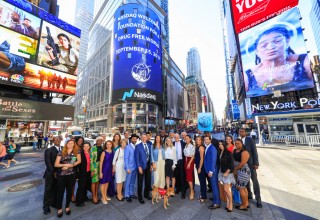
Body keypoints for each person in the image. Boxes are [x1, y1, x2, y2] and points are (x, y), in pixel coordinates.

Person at [244, 26, 312, 96]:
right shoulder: (248, 76)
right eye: (264, 45)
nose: (271, 47)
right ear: (256, 51)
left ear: (287, 41)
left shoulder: (305, 62)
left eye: (277, 41)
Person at [54, 139, 81, 218]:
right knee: (60, 192)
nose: (70, 144)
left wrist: (68, 166)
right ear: (66, 144)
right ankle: (59, 208)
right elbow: (56, 164)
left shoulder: (76, 152)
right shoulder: (61, 152)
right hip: (61, 175)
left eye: (72, 143)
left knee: (69, 191)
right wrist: (63, 166)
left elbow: (78, 161)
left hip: (71, 175)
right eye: (69, 143)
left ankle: (67, 207)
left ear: (74, 144)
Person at [239, 128, 262, 208]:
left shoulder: (250, 139)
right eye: (240, 132)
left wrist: (256, 163)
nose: (241, 133)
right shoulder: (239, 140)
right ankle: (249, 195)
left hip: (251, 164)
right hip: (243, 166)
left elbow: (254, 151)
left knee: (255, 181)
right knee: (246, 181)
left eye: (242, 131)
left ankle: (258, 199)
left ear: (245, 133)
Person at [43, 137, 61, 215]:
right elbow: (48, 163)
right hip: (50, 174)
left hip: (60, 174)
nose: (57, 141)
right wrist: (54, 172)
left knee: (57, 189)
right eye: (55, 140)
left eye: (59, 140)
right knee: (48, 190)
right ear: (53, 141)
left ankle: (54, 203)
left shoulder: (62, 149)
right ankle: (46, 207)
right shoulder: (49, 150)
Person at [233, 139, 251, 211]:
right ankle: (246, 203)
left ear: (242, 143)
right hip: (238, 171)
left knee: (240, 188)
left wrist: (235, 169)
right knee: (243, 188)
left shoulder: (245, 152)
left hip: (244, 172)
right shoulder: (235, 151)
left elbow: (243, 163)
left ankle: (244, 205)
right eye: (236, 143)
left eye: (238, 143)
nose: (237, 145)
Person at [217, 140, 235, 212]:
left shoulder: (228, 153)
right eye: (219, 144)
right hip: (222, 171)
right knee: (226, 189)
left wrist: (227, 172)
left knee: (226, 189)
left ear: (224, 144)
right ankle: (228, 203)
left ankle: (231, 204)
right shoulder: (220, 152)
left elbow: (231, 164)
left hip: (227, 173)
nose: (220, 145)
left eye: (221, 144)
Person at [204, 135, 220, 209]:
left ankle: (216, 203)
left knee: (214, 186)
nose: (206, 141)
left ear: (210, 140)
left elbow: (214, 160)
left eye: (207, 139)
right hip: (209, 170)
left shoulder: (212, 148)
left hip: (212, 170)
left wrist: (211, 171)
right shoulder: (208, 147)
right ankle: (215, 198)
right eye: (205, 139)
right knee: (213, 186)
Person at [135, 133, 152, 204]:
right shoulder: (138, 146)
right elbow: (137, 158)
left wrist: (151, 165)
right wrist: (139, 167)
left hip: (148, 165)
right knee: (140, 182)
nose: (144, 138)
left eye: (145, 137)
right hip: (141, 166)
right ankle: (140, 197)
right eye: (143, 137)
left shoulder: (149, 145)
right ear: (141, 138)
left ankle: (146, 194)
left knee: (148, 181)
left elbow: (151, 156)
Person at [76, 142, 91, 207]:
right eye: (84, 146)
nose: (86, 147)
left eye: (87, 146)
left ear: (89, 147)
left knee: (86, 186)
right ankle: (78, 201)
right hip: (82, 172)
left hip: (88, 172)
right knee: (81, 187)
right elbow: (77, 164)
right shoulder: (80, 153)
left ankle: (84, 197)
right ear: (82, 147)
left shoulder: (90, 153)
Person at [124, 134, 138, 203]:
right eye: (133, 139)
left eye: (135, 139)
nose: (134, 140)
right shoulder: (127, 147)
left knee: (133, 182)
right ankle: (127, 195)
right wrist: (127, 168)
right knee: (128, 182)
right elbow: (126, 158)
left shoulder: (136, 146)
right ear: (131, 139)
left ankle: (131, 193)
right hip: (129, 168)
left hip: (135, 167)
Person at [90, 136, 104, 204]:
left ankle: (96, 194)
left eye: (101, 140)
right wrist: (92, 170)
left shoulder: (102, 147)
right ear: (96, 141)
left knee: (98, 181)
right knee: (93, 181)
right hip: (94, 166)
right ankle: (93, 196)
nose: (100, 141)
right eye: (98, 140)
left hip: (100, 166)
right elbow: (91, 160)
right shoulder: (93, 148)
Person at [173, 133, 186, 199]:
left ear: (179, 137)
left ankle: (183, 193)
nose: (176, 138)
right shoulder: (172, 143)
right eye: (175, 137)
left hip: (181, 161)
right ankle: (177, 189)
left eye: (177, 137)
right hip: (175, 162)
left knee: (182, 177)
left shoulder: (183, 143)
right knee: (176, 176)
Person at [194, 136, 207, 203]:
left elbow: (202, 158)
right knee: (201, 181)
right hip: (198, 165)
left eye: (199, 140)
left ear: (201, 141)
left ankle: (204, 197)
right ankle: (202, 195)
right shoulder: (197, 147)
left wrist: (199, 167)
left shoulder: (201, 147)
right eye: (197, 140)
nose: (198, 141)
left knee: (202, 182)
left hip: (201, 166)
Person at [184, 135, 195, 200]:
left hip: (190, 161)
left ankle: (192, 191)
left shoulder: (191, 146)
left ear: (190, 139)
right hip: (186, 161)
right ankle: (191, 190)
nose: (186, 139)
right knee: (188, 177)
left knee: (189, 177)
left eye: (188, 138)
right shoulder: (186, 145)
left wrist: (189, 163)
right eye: (186, 138)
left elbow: (193, 156)